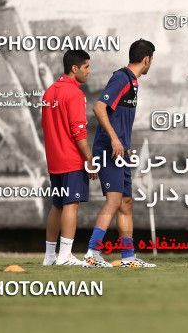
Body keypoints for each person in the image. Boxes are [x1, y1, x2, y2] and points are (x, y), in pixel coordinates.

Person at [83, 39, 156, 268]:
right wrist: (115, 139)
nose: (151, 63)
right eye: (152, 60)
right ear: (147, 59)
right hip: (108, 149)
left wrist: (124, 142)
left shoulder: (133, 82)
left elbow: (119, 117)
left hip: (120, 151)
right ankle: (92, 253)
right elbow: (98, 107)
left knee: (126, 202)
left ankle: (128, 258)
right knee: (114, 201)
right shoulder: (122, 78)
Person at [42, 50, 97, 266]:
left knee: (57, 206)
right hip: (71, 160)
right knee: (71, 205)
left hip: (54, 160)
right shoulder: (75, 94)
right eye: (86, 67)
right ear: (75, 69)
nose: (89, 71)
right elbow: (79, 132)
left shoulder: (48, 92)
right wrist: (90, 159)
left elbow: (45, 126)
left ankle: (49, 257)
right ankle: (65, 256)